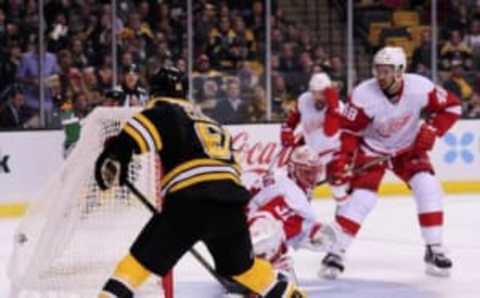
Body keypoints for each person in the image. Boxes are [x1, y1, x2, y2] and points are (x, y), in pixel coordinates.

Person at [94, 67, 306, 298]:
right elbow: (231, 170)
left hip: (189, 202)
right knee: (245, 270)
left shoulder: (164, 111)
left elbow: (135, 133)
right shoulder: (212, 123)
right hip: (230, 206)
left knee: (138, 265)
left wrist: (116, 156)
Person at [322, 46, 461, 279]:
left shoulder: (420, 87)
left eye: (386, 71)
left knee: (427, 186)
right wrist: (343, 158)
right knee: (362, 199)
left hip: (407, 148)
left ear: (399, 71)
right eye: (378, 70)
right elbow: (348, 130)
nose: (380, 75)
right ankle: (336, 252)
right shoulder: (363, 94)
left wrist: (434, 128)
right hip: (373, 150)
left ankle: (434, 248)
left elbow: (452, 106)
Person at [246, 145, 338, 281]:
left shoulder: (285, 181)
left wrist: (311, 231)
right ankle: (254, 266)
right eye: (307, 173)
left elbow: (286, 227)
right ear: (292, 169)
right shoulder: (286, 189)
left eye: (315, 173)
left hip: (243, 233)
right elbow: (269, 224)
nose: (312, 178)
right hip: (242, 238)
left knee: (287, 281)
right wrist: (309, 232)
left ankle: (264, 267)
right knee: (267, 229)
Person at [281, 72, 347, 203]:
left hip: (334, 151)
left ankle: (343, 210)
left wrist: (332, 107)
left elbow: (330, 131)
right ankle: (302, 211)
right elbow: (290, 122)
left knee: (337, 183)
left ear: (328, 92)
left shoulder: (338, 106)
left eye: (322, 92)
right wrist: (286, 132)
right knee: (301, 185)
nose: (318, 96)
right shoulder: (304, 100)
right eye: (314, 92)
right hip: (312, 152)